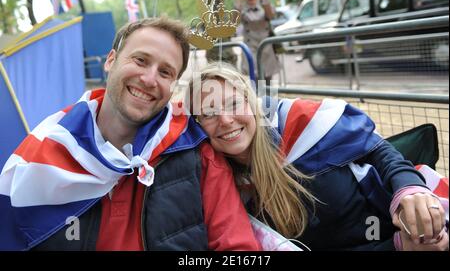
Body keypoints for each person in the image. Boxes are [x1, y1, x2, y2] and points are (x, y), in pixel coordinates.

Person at [0, 17, 261, 251]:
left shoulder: (197, 152)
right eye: (140, 60)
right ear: (111, 60)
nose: (149, 79)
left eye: (165, 72)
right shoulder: (40, 155)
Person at [186, 62, 449, 251]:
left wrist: (410, 189)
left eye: (234, 103)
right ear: (197, 126)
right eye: (209, 113)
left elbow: (378, 150)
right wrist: (399, 246)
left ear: (252, 102)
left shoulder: (300, 122)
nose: (226, 120)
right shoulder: (222, 189)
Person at [235, 0, 280, 84]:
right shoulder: (241, 9)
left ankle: (268, 100)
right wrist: (239, 0)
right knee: (253, 82)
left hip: (266, 48)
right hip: (250, 49)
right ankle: (255, 100)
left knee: (268, 82)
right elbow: (233, 22)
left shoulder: (264, 6)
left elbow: (271, 15)